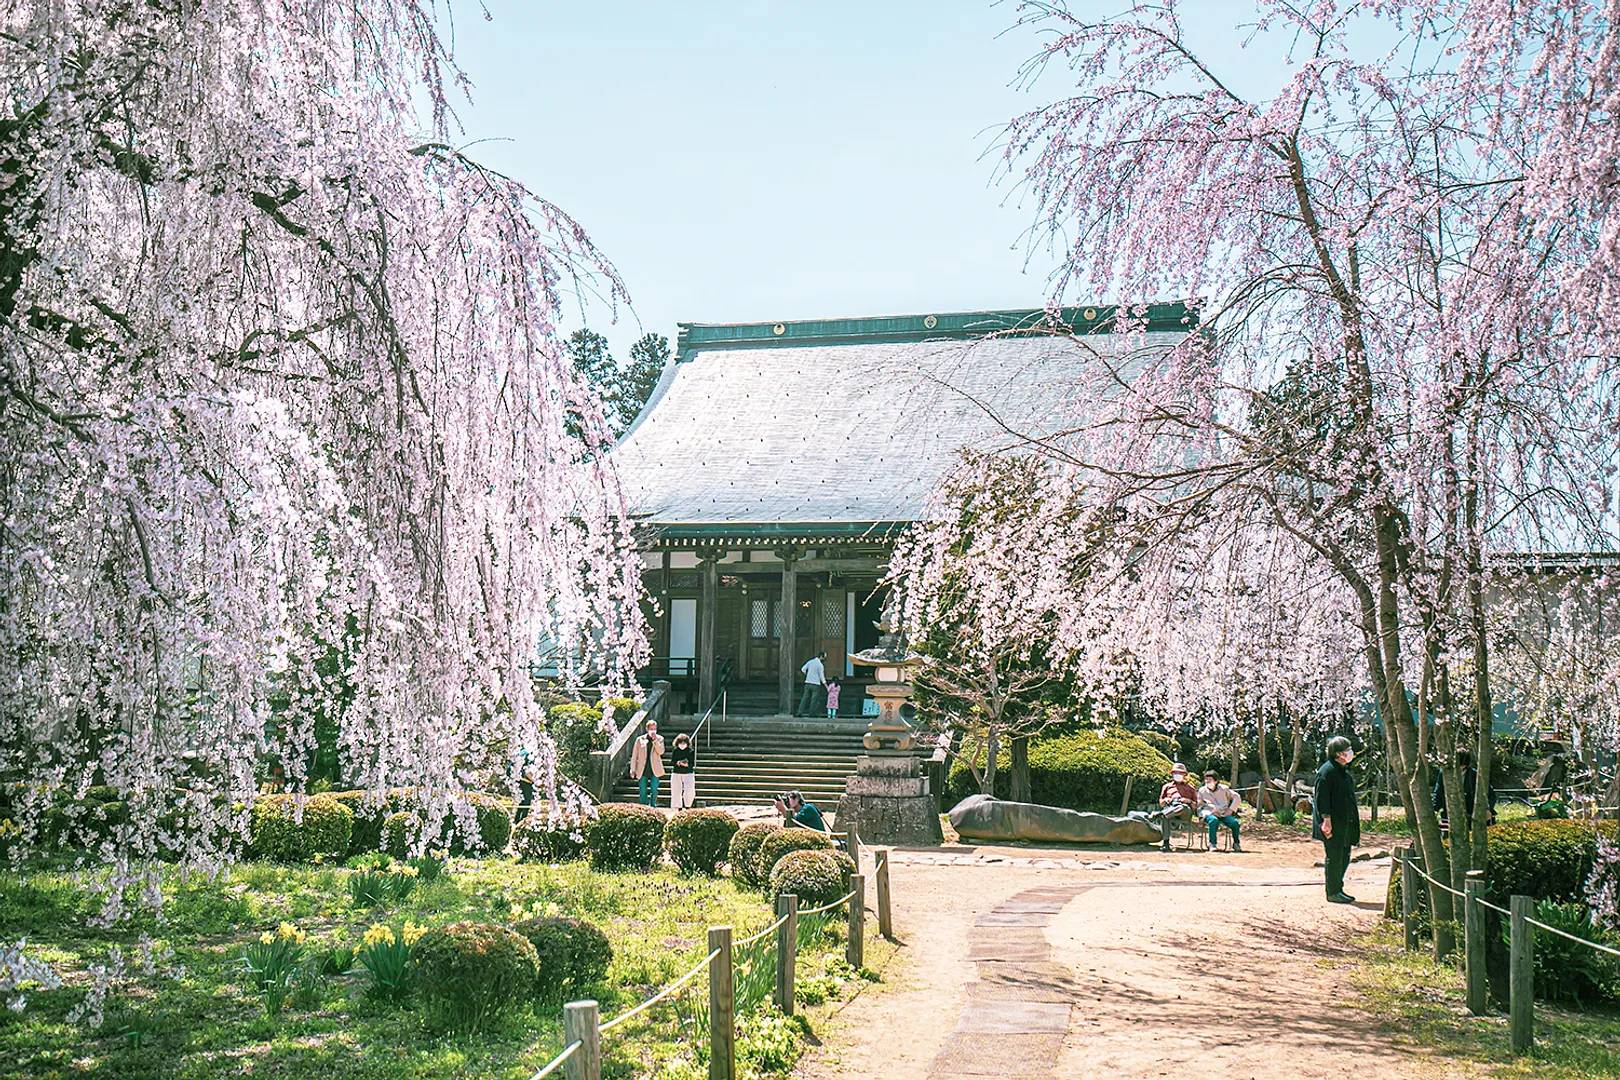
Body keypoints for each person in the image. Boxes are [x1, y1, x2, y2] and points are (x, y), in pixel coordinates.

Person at [1313, 735, 1362, 904]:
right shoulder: (1327, 771)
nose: (1350, 753)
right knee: (1334, 856)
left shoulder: (1343, 772)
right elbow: (1322, 799)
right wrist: (1326, 820)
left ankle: (1338, 888)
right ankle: (1332, 892)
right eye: (1347, 750)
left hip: (1345, 821)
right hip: (1332, 822)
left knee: (1344, 856)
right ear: (1339, 753)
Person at [1431, 748, 1497, 826]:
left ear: (1464, 765)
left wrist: (1487, 809)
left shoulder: (1475, 775)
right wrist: (1434, 811)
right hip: (1450, 815)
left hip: (1471, 815)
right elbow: (1438, 793)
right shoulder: (1443, 774)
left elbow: (1491, 795)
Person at [1197, 769, 1243, 851]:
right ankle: (1212, 844)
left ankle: (1236, 843)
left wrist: (1231, 809)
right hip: (1209, 813)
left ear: (1216, 781)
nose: (1207, 782)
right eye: (1206, 780)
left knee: (1234, 823)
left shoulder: (1224, 789)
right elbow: (1199, 805)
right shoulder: (1202, 790)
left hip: (1223, 813)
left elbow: (1237, 797)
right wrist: (1200, 816)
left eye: (1210, 780)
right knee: (1213, 821)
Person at [1157, 762, 1199, 852]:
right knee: (1165, 816)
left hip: (1185, 810)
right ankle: (1166, 843)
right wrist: (1166, 800)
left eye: (1180, 773)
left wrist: (1189, 801)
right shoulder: (1167, 787)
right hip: (1171, 808)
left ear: (1185, 775)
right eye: (1176, 773)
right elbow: (1161, 803)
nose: (1178, 775)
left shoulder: (1190, 788)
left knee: (1181, 807)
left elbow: (1196, 805)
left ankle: (1159, 814)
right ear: (1172, 774)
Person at [629, 720, 665, 807]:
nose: (653, 730)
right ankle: (643, 806)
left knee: (654, 789)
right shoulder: (639, 739)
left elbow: (661, 751)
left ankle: (653, 805)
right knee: (643, 790)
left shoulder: (660, 739)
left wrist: (655, 740)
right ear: (647, 729)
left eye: (654, 729)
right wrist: (632, 769)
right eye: (651, 729)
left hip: (655, 768)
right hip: (642, 768)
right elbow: (634, 756)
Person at [668, 732, 696, 810]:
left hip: (688, 773)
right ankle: (678, 807)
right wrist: (678, 763)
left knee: (689, 790)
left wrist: (686, 764)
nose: (682, 744)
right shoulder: (675, 751)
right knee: (676, 791)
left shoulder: (690, 751)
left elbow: (691, 763)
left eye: (684, 742)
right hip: (677, 772)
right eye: (681, 742)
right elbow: (672, 761)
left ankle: (688, 806)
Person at [796, 651, 828, 716]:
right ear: (821, 657)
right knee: (814, 699)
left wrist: (807, 675)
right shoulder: (820, 665)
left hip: (807, 682)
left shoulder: (810, 662)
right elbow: (822, 677)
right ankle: (811, 713)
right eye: (824, 658)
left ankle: (800, 711)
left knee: (804, 698)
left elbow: (803, 669)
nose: (824, 660)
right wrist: (826, 686)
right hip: (816, 684)